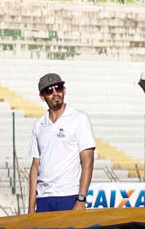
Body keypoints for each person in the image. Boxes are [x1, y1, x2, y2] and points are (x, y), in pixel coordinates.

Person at [27, 73, 95, 214]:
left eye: (58, 88)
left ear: (64, 90)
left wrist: (81, 199)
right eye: (49, 91)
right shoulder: (38, 125)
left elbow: (88, 160)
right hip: (44, 197)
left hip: (69, 195)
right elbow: (35, 167)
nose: (55, 93)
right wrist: (30, 208)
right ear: (42, 96)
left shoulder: (79, 118)